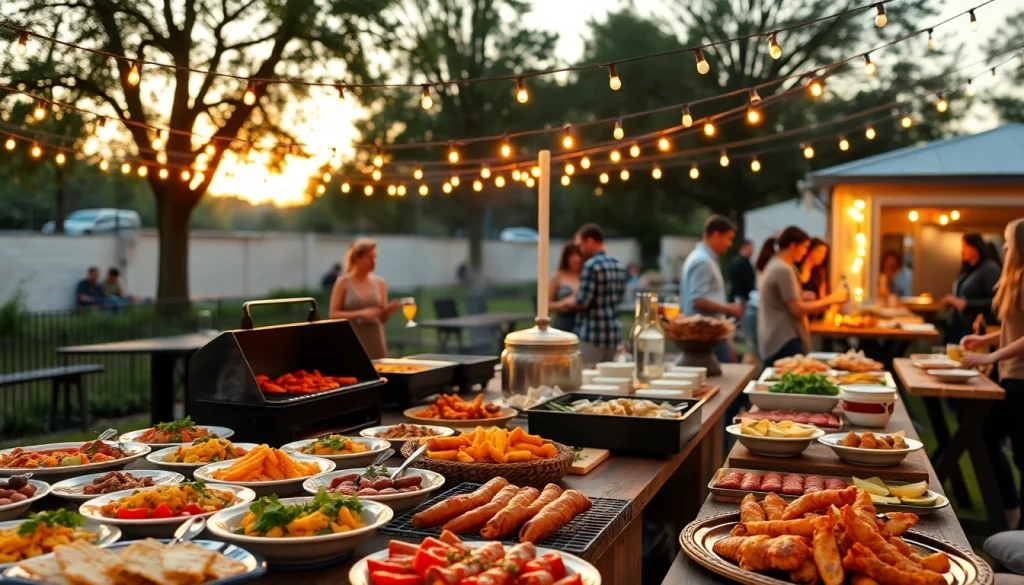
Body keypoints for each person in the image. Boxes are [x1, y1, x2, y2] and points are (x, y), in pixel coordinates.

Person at [961, 219, 1024, 530]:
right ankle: (1011, 514)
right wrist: (984, 340)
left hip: (1021, 379)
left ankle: (1016, 523)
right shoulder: (1014, 280)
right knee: (987, 437)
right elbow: (1014, 332)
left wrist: (993, 355)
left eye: (1009, 242)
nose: (1004, 248)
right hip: (1011, 377)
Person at [757, 226, 848, 368]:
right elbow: (797, 309)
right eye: (804, 247)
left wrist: (802, 296)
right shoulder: (783, 269)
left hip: (776, 337)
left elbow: (784, 301)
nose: (805, 252)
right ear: (793, 245)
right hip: (784, 339)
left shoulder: (775, 265)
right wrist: (832, 299)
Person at [560, 223, 627, 364]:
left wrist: (567, 302)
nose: (580, 250)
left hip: (592, 334)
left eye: (580, 245)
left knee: (587, 376)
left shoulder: (591, 265)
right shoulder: (618, 265)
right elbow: (620, 297)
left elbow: (583, 302)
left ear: (590, 241)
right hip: (613, 335)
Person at [680, 215, 743, 364]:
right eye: (729, 238)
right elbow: (697, 300)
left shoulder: (702, 258)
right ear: (716, 235)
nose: (730, 244)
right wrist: (728, 308)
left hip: (707, 334)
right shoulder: (703, 261)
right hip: (705, 335)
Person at [328, 239, 400, 359]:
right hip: (351, 339)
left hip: (375, 339)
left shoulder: (380, 283)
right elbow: (333, 314)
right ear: (356, 258)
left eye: (375, 257)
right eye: (369, 258)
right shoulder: (343, 282)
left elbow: (382, 319)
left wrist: (388, 310)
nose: (373, 262)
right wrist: (360, 313)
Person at [943, 233, 1002, 342]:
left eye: (965, 246)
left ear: (975, 247)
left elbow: (997, 301)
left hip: (977, 328)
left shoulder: (989, 269)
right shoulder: (969, 269)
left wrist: (966, 304)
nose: (962, 251)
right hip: (959, 325)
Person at [549, 243, 583, 333]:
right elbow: (547, 305)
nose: (577, 259)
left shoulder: (586, 275)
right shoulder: (557, 276)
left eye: (579, 255)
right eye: (572, 255)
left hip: (584, 325)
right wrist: (563, 304)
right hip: (564, 324)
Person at [798, 238, 829, 303]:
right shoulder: (795, 269)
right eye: (819, 252)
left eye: (824, 253)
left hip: (813, 310)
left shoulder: (820, 273)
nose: (823, 256)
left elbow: (822, 298)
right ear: (809, 251)